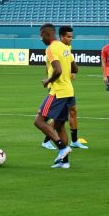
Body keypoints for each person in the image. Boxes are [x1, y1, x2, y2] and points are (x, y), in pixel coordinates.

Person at [34, 23, 74, 169]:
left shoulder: (51, 48)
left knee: (39, 121)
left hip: (57, 91)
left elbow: (57, 70)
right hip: (69, 91)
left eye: (42, 35)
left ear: (48, 34)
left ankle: (62, 148)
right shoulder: (65, 47)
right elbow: (75, 68)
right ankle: (65, 162)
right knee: (59, 126)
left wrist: (48, 80)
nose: (41, 38)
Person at [42, 26, 88, 150]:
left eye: (71, 37)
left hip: (67, 87)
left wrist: (71, 71)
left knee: (72, 111)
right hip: (58, 88)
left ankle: (73, 141)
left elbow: (72, 67)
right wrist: (49, 80)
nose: (70, 39)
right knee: (56, 118)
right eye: (68, 37)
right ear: (61, 37)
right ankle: (47, 140)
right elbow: (50, 68)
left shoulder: (67, 48)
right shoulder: (53, 48)